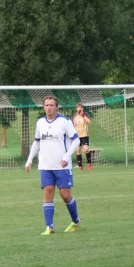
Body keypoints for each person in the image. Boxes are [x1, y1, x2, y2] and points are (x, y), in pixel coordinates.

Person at [25, 95, 82, 235]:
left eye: (51, 105)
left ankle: (76, 220)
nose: (48, 107)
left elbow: (76, 141)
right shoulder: (40, 123)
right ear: (43, 107)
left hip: (62, 166)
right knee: (48, 192)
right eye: (46, 105)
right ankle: (49, 227)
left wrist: (67, 156)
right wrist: (30, 159)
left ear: (57, 107)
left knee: (65, 195)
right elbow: (37, 142)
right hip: (45, 165)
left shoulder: (65, 121)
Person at [72, 103, 93, 170]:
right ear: (76, 108)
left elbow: (89, 122)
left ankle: (89, 163)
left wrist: (83, 115)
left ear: (83, 108)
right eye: (78, 107)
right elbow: (71, 125)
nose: (80, 109)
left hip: (84, 135)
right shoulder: (74, 116)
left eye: (81, 107)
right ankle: (80, 166)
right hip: (77, 136)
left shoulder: (85, 114)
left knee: (86, 149)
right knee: (78, 150)